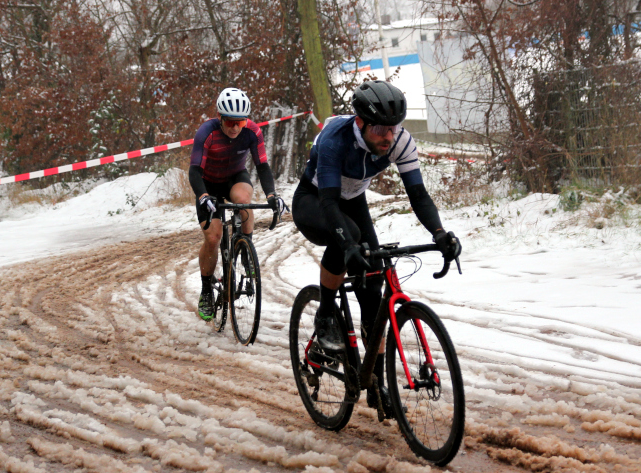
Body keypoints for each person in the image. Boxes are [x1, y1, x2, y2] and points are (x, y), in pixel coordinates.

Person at [292, 80, 461, 416]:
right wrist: (348, 244)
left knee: (372, 286)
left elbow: (418, 195)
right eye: (382, 129)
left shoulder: (400, 142)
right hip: (315, 201)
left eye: (394, 128)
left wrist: (440, 232)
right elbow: (328, 202)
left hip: (353, 202)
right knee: (348, 239)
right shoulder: (334, 139)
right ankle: (326, 311)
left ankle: (375, 382)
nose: (389, 136)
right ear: (361, 123)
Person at [189, 87, 282, 321]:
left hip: (234, 178)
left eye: (239, 123)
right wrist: (202, 196)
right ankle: (206, 290)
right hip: (208, 184)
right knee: (213, 237)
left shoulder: (252, 132)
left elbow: (262, 166)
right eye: (230, 122)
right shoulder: (206, 133)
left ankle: (245, 251)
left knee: (244, 202)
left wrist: (271, 194)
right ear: (220, 118)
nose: (234, 128)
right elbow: (194, 171)